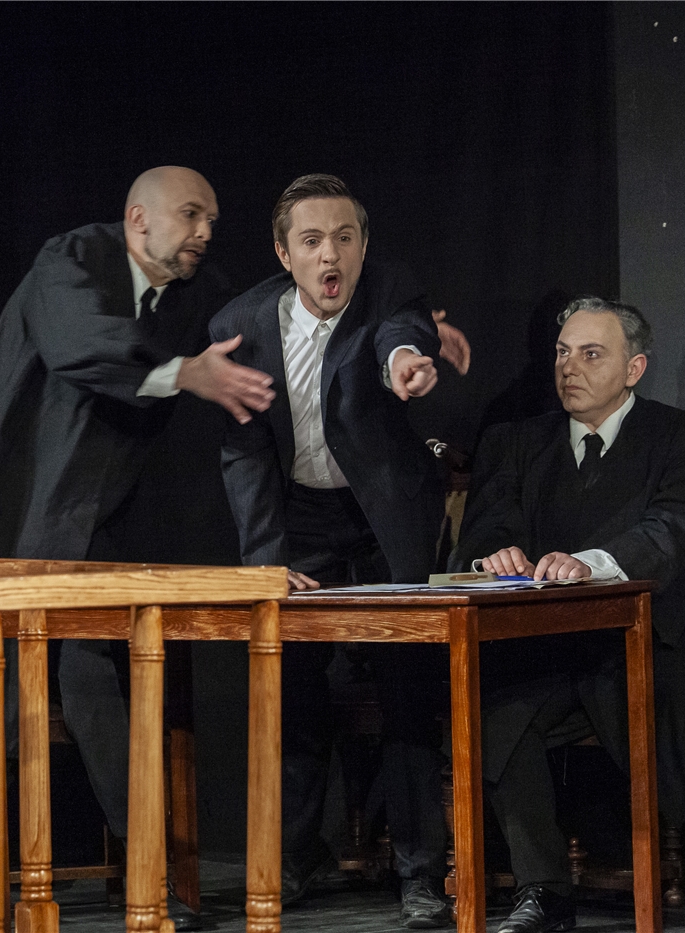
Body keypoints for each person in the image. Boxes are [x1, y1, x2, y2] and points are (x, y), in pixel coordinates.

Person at [0, 166, 276, 933]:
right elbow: (79, 345)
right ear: (138, 219)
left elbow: (262, 315)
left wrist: (397, 332)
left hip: (74, 517)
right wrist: (184, 372)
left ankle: (149, 870)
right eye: (191, 214)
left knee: (93, 677)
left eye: (213, 218)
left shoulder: (194, 292)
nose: (206, 231)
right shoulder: (74, 258)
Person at [452, 298, 685, 933]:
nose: (569, 368)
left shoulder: (680, 438)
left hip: (654, 635)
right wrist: (495, 555)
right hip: (550, 645)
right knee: (493, 705)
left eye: (591, 354)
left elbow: (678, 527)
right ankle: (543, 890)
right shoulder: (519, 442)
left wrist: (592, 563)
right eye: (562, 353)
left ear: (634, 368)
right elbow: (486, 527)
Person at [208, 174, 458, 928]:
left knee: (406, 685)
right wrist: (264, 562)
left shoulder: (389, 291)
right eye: (313, 240)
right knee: (291, 684)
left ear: (363, 246)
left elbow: (398, 335)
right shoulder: (240, 323)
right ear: (284, 253)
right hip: (301, 516)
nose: (331, 255)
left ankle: (419, 869)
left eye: (345, 238)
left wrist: (405, 361)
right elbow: (245, 454)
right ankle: (295, 858)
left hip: (382, 512)